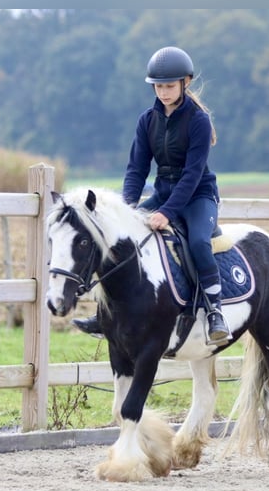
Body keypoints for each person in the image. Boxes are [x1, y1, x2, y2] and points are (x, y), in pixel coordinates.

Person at [73, 46, 231, 344]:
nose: (163, 92)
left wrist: (167, 213)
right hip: (162, 193)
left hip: (198, 196)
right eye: (158, 86)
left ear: (185, 82)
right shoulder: (147, 121)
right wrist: (125, 210)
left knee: (198, 242)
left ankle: (215, 312)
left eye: (169, 86)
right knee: (115, 238)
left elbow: (192, 175)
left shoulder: (199, 121)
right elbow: (136, 170)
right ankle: (104, 313)